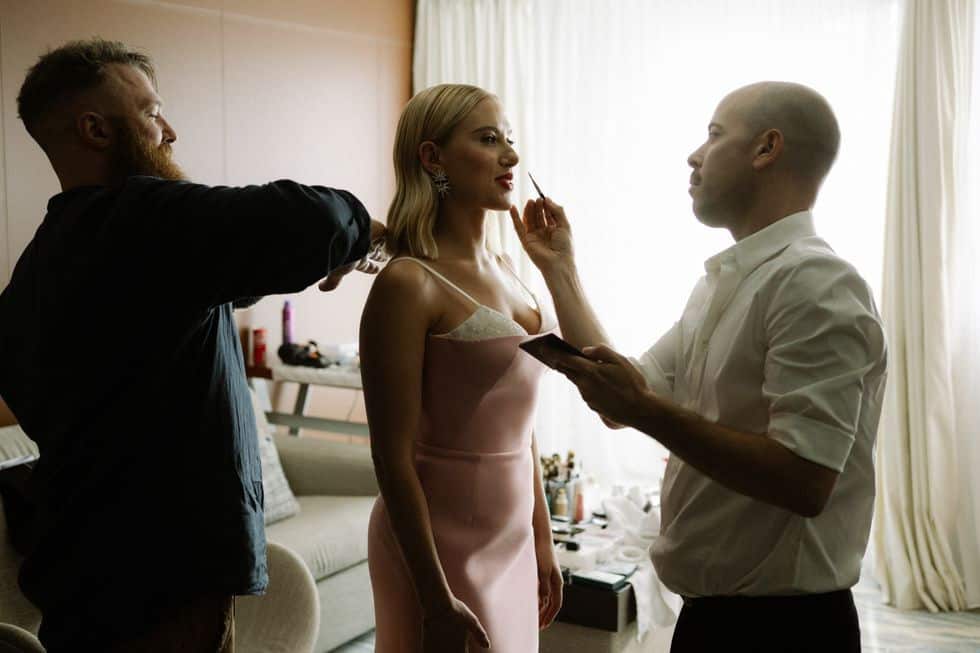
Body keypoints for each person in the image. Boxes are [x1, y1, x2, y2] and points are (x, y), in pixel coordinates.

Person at [0, 38, 384, 652]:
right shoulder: (144, 217)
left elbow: (176, 305)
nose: (170, 131)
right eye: (152, 112)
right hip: (165, 580)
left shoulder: (40, 269)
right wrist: (361, 228)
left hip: (80, 571)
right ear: (95, 129)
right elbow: (313, 220)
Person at [510, 81, 887, 652]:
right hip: (711, 620)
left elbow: (804, 480)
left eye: (713, 135)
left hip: (785, 631)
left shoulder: (815, 282)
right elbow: (626, 397)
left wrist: (643, 409)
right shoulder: (723, 285)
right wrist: (561, 269)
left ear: (766, 149)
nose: (694, 155)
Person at [360, 83, 563, 653]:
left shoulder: (511, 266)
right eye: (489, 139)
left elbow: (520, 425)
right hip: (435, 546)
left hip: (512, 537)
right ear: (433, 158)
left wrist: (542, 537)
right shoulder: (408, 283)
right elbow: (391, 457)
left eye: (509, 139)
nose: (511, 156)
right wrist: (433, 596)